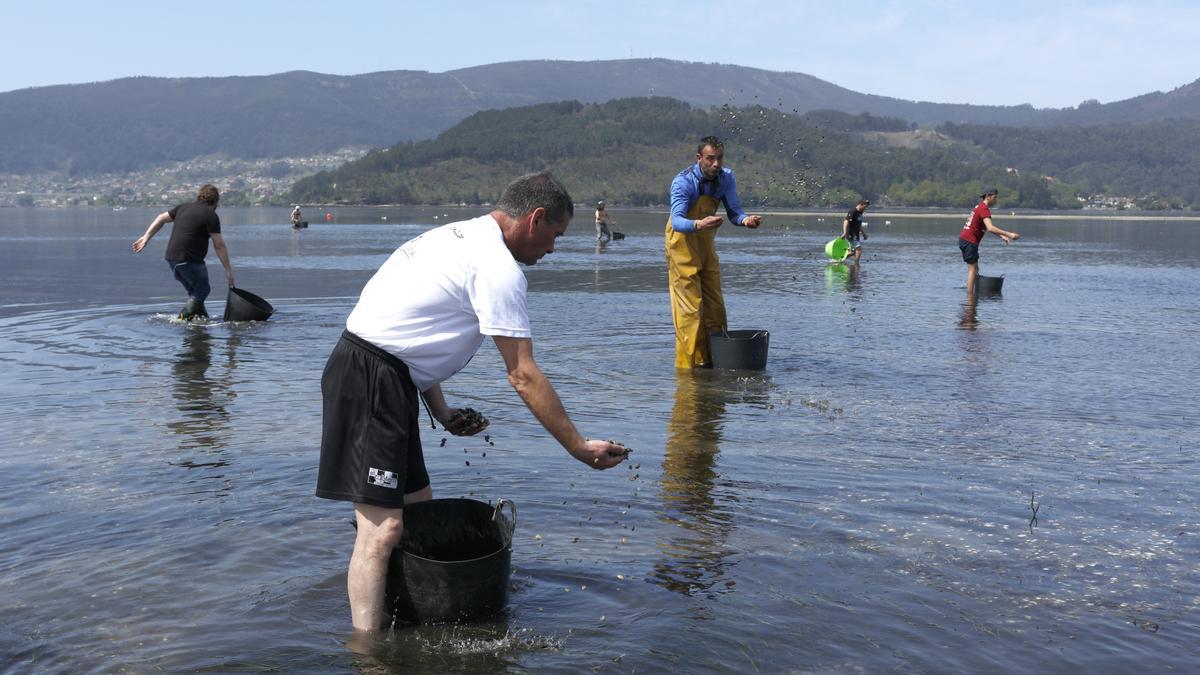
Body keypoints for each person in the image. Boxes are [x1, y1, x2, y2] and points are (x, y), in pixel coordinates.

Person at [316, 172, 630, 633]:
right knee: (381, 531)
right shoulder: (497, 268)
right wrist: (578, 448)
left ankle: (411, 616)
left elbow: (409, 337)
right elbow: (523, 374)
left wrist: (441, 411)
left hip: (387, 377)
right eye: (555, 236)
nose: (552, 249)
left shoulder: (458, 238)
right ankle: (368, 653)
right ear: (535, 219)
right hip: (370, 381)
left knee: (419, 512)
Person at [665, 135, 763, 368]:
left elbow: (734, 212)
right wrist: (698, 224)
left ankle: (712, 362)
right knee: (691, 312)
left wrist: (746, 220)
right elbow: (677, 220)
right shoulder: (683, 182)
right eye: (711, 158)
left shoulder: (726, 178)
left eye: (719, 158)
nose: (716, 164)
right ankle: (687, 371)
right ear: (700, 158)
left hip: (706, 245)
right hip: (681, 245)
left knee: (715, 308)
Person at [132, 184, 234, 320]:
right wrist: (228, 271)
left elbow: (161, 217)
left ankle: (201, 321)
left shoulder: (183, 207)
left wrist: (146, 237)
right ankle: (182, 319)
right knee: (202, 290)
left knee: (195, 293)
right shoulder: (211, 216)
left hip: (171, 258)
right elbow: (219, 246)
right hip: (189, 260)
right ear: (215, 202)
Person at [959, 188, 1020, 294]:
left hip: (965, 240)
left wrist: (1001, 236)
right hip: (969, 241)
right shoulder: (984, 209)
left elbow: (986, 227)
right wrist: (1009, 234)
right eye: (995, 197)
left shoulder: (979, 207)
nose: (996, 200)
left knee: (975, 269)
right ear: (988, 196)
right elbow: (990, 227)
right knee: (973, 269)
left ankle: (972, 291)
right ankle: (969, 296)